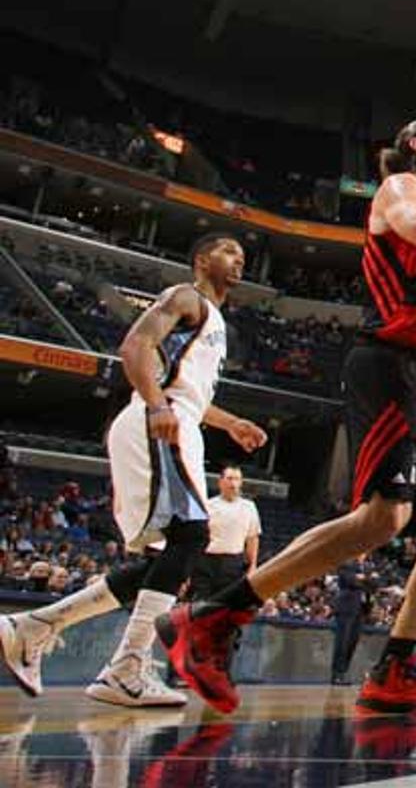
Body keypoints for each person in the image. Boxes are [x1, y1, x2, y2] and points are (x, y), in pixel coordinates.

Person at [160, 117, 416, 715]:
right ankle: (214, 616)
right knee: (384, 518)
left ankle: (395, 669)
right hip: (390, 363)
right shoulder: (403, 191)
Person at [0, 234, 265, 707]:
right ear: (202, 258)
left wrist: (231, 422)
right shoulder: (187, 297)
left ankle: (35, 625)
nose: (238, 257)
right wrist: (157, 404)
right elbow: (136, 345)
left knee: (161, 557)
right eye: (227, 250)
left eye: (242, 254)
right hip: (157, 421)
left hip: (176, 419)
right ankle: (125, 670)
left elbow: (189, 392)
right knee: (190, 537)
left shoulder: (216, 323)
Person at [193, 467, 261, 599]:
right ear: (220, 482)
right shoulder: (208, 505)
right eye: (229, 478)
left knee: (226, 606)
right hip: (206, 561)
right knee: (200, 606)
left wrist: (253, 565)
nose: (233, 483)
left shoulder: (249, 507)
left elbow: (252, 538)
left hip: (233, 563)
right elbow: (198, 537)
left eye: (237, 479)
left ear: (241, 482)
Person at [330, 558, 372, 685]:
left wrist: (363, 578)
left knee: (352, 642)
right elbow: (350, 580)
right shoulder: (347, 562)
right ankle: (336, 674)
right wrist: (365, 579)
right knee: (342, 641)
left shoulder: (366, 566)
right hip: (346, 607)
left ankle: (343, 672)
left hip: (360, 609)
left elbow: (375, 584)